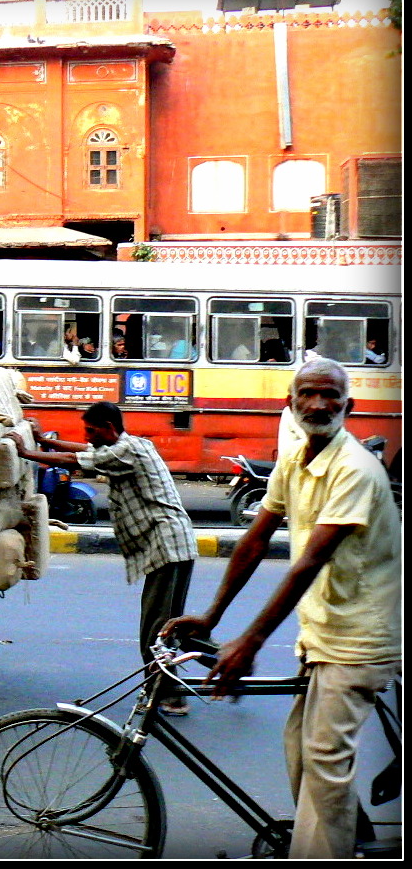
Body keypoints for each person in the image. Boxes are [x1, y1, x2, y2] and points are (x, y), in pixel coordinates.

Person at [163, 358, 400, 859]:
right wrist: (212, 617)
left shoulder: (355, 469)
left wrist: (250, 640)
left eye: (331, 395)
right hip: (322, 633)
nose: (319, 404)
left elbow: (309, 562)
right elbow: (254, 541)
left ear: (348, 407)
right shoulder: (294, 459)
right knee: (301, 753)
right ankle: (352, 842)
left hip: (361, 639)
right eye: (308, 394)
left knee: (323, 759)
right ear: (289, 405)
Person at [11, 401, 197, 717]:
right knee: (166, 625)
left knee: (155, 631)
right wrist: (44, 442)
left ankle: (170, 695)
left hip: (167, 545)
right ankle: (199, 672)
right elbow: (84, 449)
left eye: (93, 431)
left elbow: (74, 458)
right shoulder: (126, 445)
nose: (89, 437)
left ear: (109, 428)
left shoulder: (126, 451)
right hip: (171, 545)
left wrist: (27, 453)